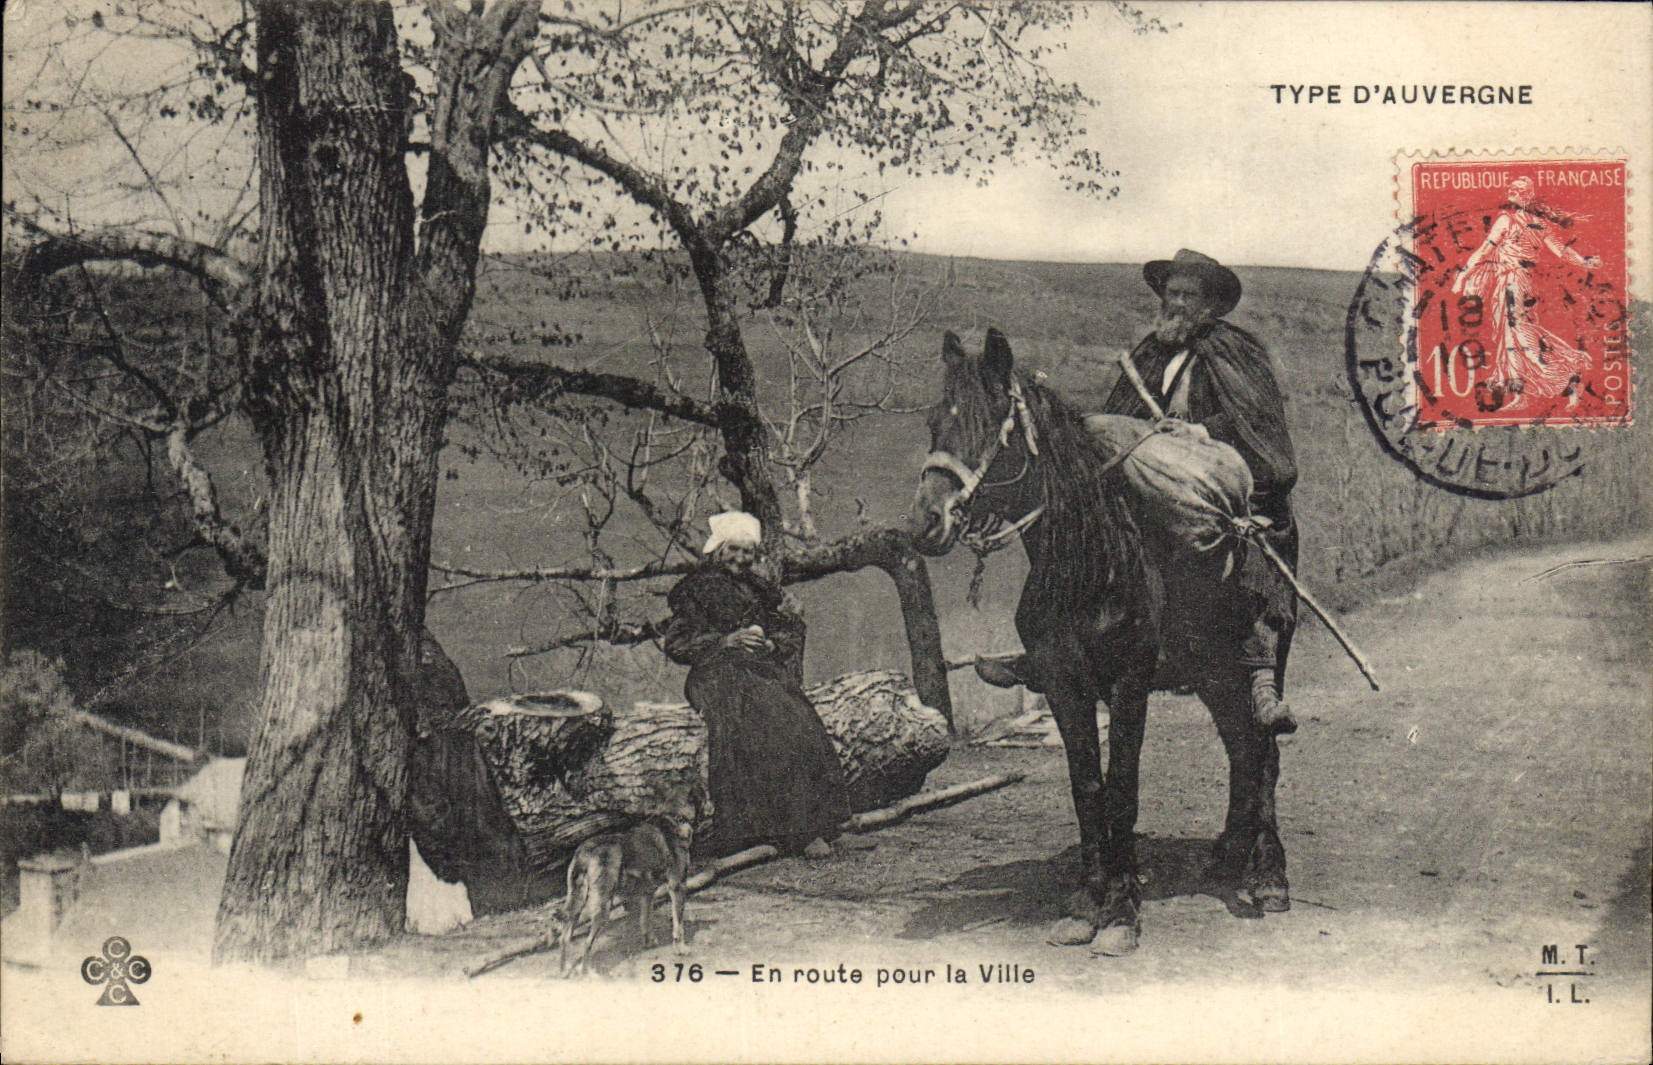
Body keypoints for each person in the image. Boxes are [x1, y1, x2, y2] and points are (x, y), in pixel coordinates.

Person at [975, 249, 1301, 734]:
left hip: (1214, 475)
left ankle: (1258, 670)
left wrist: (1196, 431)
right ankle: (1053, 645)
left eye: (1190, 295)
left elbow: (1255, 422)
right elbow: (1120, 415)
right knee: (1086, 520)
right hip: (1150, 474)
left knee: (1242, 532)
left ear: (1210, 305)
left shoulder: (1237, 351)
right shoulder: (1150, 352)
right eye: (1172, 293)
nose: (1178, 303)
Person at [663, 511, 850, 858]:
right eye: (733, 550)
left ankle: (812, 825)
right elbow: (676, 644)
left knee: (800, 720)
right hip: (714, 675)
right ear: (718, 550)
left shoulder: (757, 588)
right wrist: (725, 642)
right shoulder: (697, 589)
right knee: (755, 723)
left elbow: (789, 629)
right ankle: (751, 833)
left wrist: (771, 645)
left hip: (758, 671)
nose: (740, 558)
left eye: (747, 552)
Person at [1452, 177, 1602, 410]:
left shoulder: (1514, 221)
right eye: (1511, 188)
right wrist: (1583, 261)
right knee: (1511, 336)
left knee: (1519, 335)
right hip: (1515, 283)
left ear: (1528, 195)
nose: (1511, 191)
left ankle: (1569, 373)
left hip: (1515, 283)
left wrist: (1584, 261)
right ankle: (1523, 393)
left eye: (1518, 189)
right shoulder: (1523, 222)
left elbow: (1561, 251)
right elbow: (1485, 251)